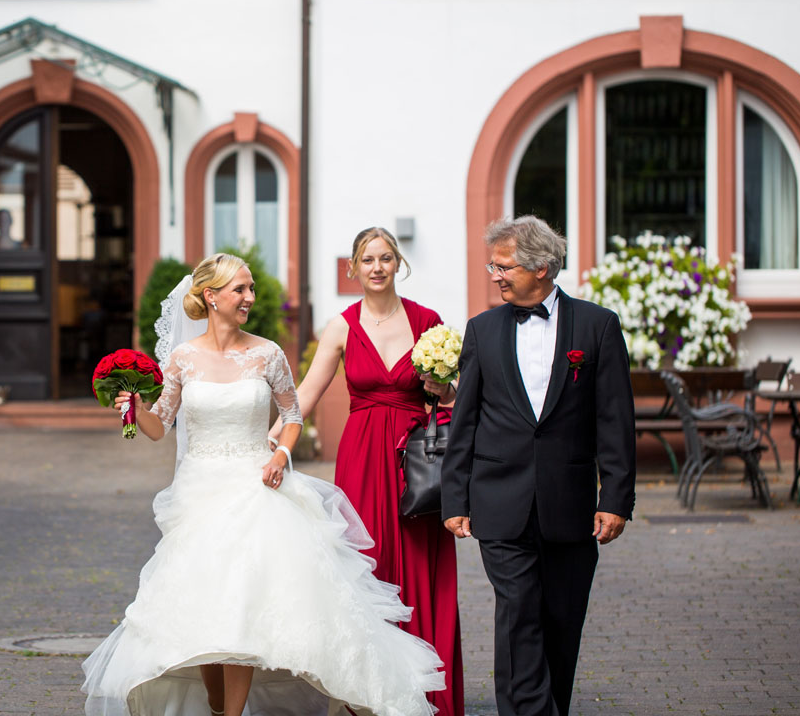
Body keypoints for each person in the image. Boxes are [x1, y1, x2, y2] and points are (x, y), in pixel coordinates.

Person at [82, 252, 445, 716]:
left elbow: (292, 416)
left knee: (243, 606)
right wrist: (132, 409)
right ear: (211, 297)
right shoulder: (182, 359)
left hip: (257, 487)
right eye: (240, 289)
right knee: (203, 608)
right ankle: (216, 705)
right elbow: (161, 427)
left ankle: (232, 714)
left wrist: (281, 453)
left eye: (251, 288)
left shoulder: (268, 353)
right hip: (199, 495)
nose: (249, 297)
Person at [442, 216, 636, 716]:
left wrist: (615, 499)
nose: (496, 275)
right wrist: (455, 499)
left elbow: (614, 420)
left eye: (504, 266)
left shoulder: (597, 326)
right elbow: (463, 423)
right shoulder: (482, 330)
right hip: (499, 501)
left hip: (569, 504)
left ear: (542, 268)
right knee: (518, 616)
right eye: (493, 265)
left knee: (560, 621)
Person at [269, 226, 465, 716]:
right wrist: (273, 440)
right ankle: (371, 692)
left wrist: (439, 387)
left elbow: (452, 396)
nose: (377, 267)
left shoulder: (429, 322)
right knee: (365, 565)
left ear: (398, 263)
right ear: (353, 268)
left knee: (420, 562)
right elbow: (307, 394)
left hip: (416, 458)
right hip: (361, 458)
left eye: (385, 258)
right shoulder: (340, 327)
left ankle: (427, 692)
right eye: (367, 259)